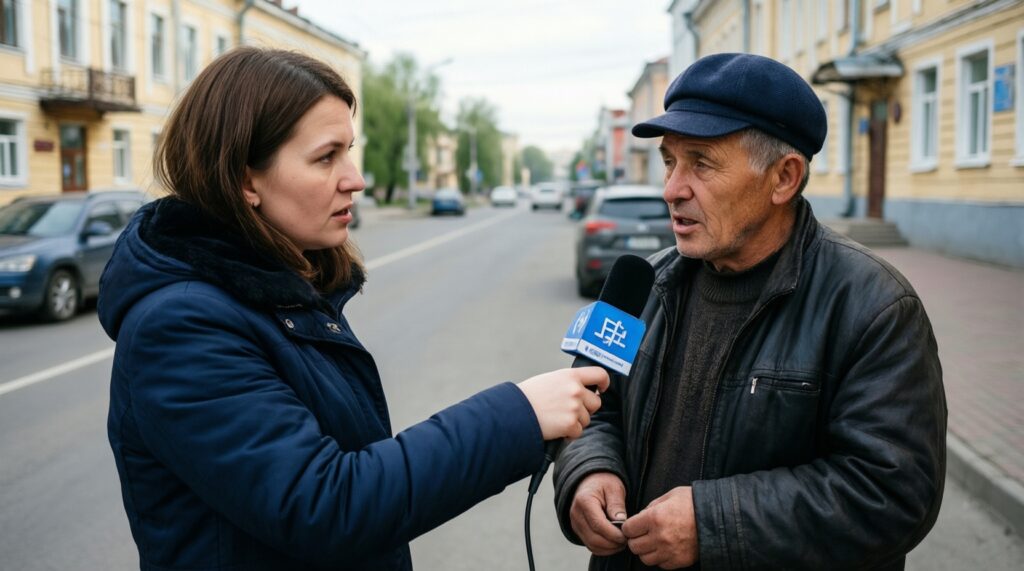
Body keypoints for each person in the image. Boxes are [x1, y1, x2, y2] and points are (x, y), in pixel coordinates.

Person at [98, 47, 609, 570]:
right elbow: (327, 505)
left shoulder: (281, 289)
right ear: (246, 180)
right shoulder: (181, 328)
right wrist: (518, 415)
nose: (356, 178)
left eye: (350, 150)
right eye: (326, 157)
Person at [553, 53, 946, 570]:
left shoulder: (873, 306)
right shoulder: (646, 285)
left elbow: (892, 494)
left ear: (783, 178)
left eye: (702, 162)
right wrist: (589, 471)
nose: (672, 189)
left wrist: (713, 524)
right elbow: (592, 404)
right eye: (670, 161)